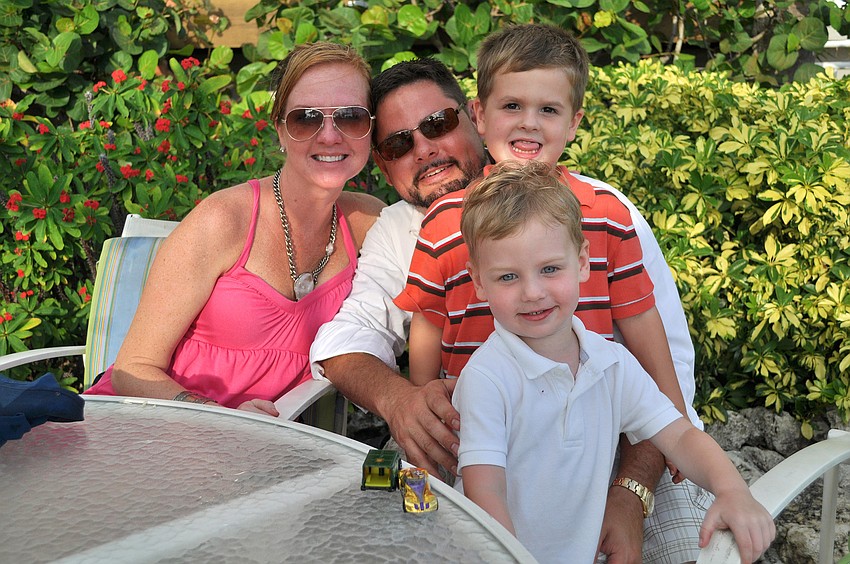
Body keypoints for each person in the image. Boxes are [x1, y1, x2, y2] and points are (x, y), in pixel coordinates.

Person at [309, 57, 696, 562]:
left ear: (475, 119)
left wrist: (631, 489)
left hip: (618, 449)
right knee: (354, 530)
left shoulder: (598, 213)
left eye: (437, 125)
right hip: (476, 445)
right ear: (384, 164)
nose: (424, 149)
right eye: (399, 143)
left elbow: (666, 373)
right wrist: (403, 400)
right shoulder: (404, 229)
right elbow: (343, 340)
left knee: (686, 545)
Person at [454, 159, 774, 564]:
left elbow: (678, 435)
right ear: (479, 281)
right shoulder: (488, 377)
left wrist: (732, 490)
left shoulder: (611, 363)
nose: (532, 292)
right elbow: (485, 491)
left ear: (584, 261)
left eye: (550, 269)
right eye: (507, 277)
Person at [84, 42, 385, 415]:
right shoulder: (223, 221)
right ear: (279, 131)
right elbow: (133, 368)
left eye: (351, 117)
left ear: (371, 130)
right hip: (145, 426)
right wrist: (220, 419)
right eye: (305, 118)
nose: (329, 135)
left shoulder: (369, 224)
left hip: (256, 453)